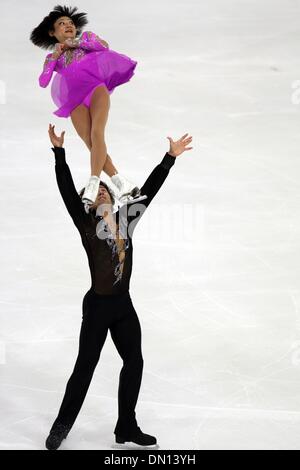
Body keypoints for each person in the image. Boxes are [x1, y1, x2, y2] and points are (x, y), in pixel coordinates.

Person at [45, 123, 193, 450]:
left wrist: (169, 157)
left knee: (135, 362)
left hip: (123, 306)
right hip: (98, 307)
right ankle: (61, 427)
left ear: (112, 197)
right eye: (94, 189)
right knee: (85, 367)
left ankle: (126, 426)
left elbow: (150, 190)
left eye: (103, 189)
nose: (99, 191)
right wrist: (59, 153)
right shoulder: (86, 225)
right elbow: (67, 190)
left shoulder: (127, 220)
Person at [30, 5, 144, 206]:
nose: (68, 26)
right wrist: (56, 55)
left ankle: (93, 181)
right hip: (75, 100)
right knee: (90, 143)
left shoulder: (85, 40)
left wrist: (75, 43)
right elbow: (43, 81)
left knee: (97, 133)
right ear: (52, 32)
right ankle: (121, 183)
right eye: (61, 24)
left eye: (71, 23)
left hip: (96, 90)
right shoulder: (53, 58)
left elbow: (104, 46)